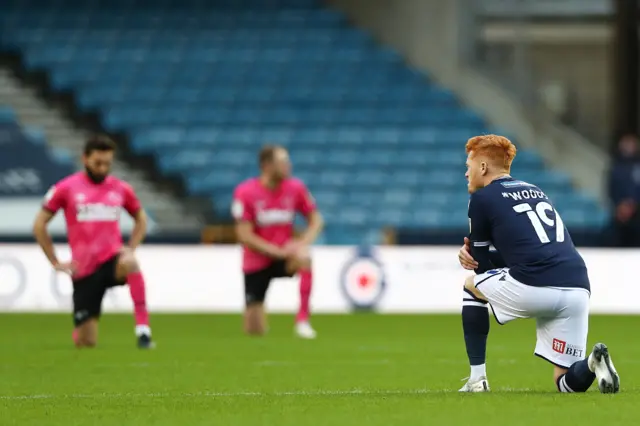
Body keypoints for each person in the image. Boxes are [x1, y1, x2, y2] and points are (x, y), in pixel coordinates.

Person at [457, 134, 619, 393]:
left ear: (483, 167)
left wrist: (469, 258)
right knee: (565, 383)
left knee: (470, 286)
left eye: (469, 166)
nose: (467, 173)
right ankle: (591, 363)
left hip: (535, 286)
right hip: (577, 287)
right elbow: (532, 252)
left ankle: (477, 380)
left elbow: (481, 268)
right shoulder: (536, 190)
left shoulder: (481, 199)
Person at [32, 135, 154, 349]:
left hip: (112, 259)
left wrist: (130, 248)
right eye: (98, 163)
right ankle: (80, 330)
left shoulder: (121, 188)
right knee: (86, 342)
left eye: (107, 163)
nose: (103, 168)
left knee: (131, 262)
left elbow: (141, 219)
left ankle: (143, 330)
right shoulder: (66, 188)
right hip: (84, 269)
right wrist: (55, 261)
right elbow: (39, 224)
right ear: (85, 159)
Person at [232, 144, 324, 338]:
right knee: (254, 329)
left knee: (305, 258)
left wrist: (301, 243)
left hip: (286, 256)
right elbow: (244, 235)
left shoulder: (296, 188)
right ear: (267, 165)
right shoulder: (245, 192)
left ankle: (302, 321)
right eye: (282, 161)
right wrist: (275, 250)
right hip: (257, 260)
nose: (288, 166)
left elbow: (316, 220)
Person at [607, 134, 640, 247]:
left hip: (636, 215)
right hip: (619, 216)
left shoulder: (637, 166)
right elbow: (611, 189)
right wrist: (620, 206)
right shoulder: (615, 167)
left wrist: (633, 205)